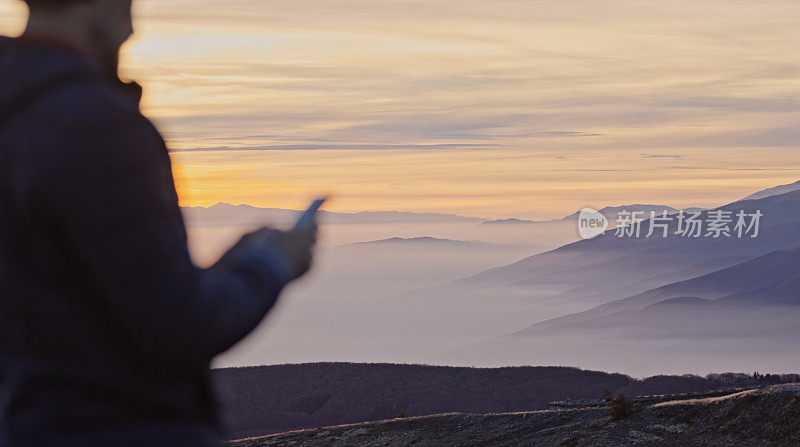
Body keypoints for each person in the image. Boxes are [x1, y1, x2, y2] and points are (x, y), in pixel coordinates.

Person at [0, 0, 317, 445]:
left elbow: (75, 297)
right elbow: (180, 328)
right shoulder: (97, 126)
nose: (132, 29)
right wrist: (274, 264)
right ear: (100, 8)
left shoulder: (16, 111)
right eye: (128, 7)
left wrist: (227, 268)